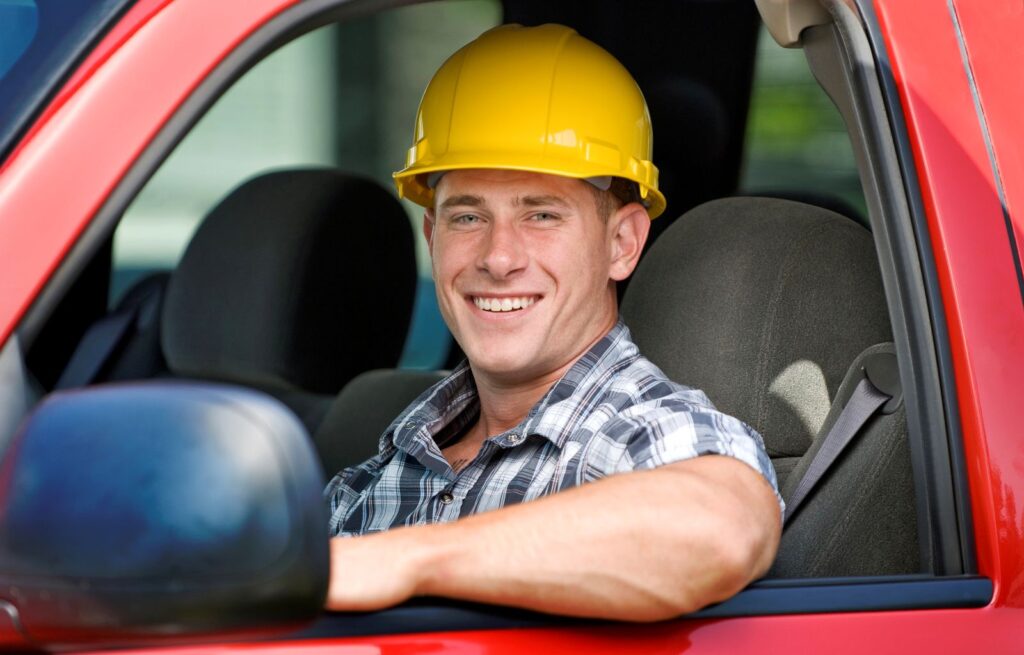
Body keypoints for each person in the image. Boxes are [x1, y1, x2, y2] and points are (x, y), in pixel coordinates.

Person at [324, 23, 782, 621]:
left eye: (541, 214)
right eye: (467, 218)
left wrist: (406, 560)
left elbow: (719, 527)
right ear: (432, 239)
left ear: (622, 243)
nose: (498, 257)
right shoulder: (377, 473)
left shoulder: (643, 434)